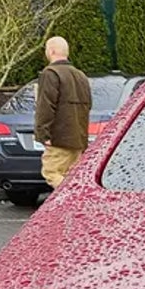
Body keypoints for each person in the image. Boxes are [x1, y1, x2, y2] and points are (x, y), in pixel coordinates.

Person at [33, 35, 92, 190]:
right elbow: (88, 106)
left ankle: (73, 198)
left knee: (52, 172)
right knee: (72, 176)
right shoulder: (81, 76)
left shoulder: (50, 73)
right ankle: (77, 200)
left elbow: (45, 106)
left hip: (59, 139)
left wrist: (43, 134)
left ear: (51, 51)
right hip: (78, 139)